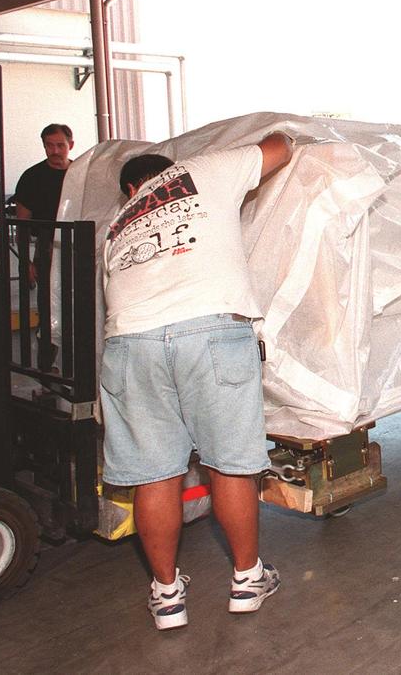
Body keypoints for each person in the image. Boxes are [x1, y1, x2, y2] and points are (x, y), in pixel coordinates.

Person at [100, 132, 293, 630]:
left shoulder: (116, 227)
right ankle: (247, 579)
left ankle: (167, 596)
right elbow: (281, 147)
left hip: (130, 344)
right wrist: (282, 131)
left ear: (129, 190)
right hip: (207, 330)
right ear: (174, 168)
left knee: (155, 474)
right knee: (229, 464)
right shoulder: (204, 170)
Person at [13, 123, 74, 370]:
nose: (55, 150)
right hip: (48, 249)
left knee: (81, 306)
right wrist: (24, 261)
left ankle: (79, 367)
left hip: (79, 249)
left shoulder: (80, 174)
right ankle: (46, 369)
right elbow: (22, 224)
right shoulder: (32, 177)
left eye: (60, 145)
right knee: (50, 307)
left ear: (71, 145)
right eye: (50, 145)